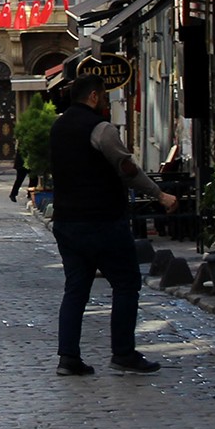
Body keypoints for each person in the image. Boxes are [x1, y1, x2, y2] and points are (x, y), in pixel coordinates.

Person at [49, 77, 177, 377]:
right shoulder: (101, 129)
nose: (107, 103)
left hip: (67, 222)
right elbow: (127, 169)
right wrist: (159, 194)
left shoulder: (58, 128)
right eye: (105, 97)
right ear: (93, 97)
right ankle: (123, 353)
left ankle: (68, 357)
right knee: (126, 283)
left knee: (76, 290)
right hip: (102, 221)